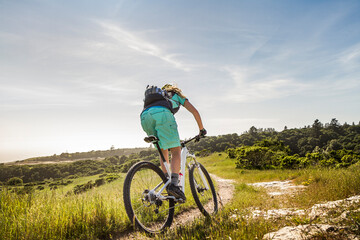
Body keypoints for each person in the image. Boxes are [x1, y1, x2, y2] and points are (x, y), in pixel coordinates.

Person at [140, 84, 207, 201]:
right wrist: (201, 129)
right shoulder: (177, 96)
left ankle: (167, 181)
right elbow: (195, 111)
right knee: (176, 151)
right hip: (162, 114)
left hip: (145, 116)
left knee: (163, 149)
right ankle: (174, 185)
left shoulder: (159, 97)